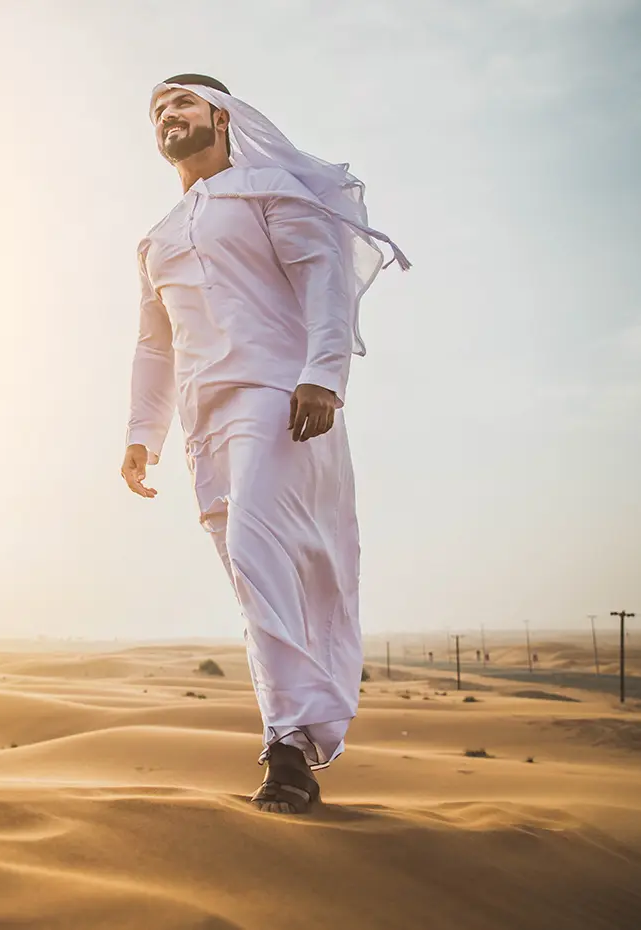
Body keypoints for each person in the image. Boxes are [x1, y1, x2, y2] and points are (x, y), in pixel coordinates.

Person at [120, 74, 409, 814]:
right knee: (251, 574)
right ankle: (297, 729)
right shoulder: (156, 239)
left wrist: (322, 373)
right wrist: (141, 436)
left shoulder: (269, 189)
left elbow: (325, 282)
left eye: (181, 102)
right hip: (203, 420)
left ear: (221, 118)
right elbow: (155, 348)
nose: (168, 116)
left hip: (280, 397)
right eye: (158, 110)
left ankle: (288, 749)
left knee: (256, 545)